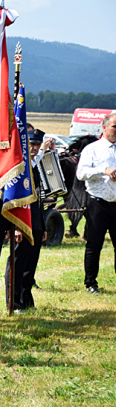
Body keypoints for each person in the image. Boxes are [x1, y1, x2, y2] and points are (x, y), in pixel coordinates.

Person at [4, 129, 51, 309]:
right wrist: (15, 226)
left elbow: (38, 198)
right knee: (17, 263)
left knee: (30, 263)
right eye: (30, 144)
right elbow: (14, 199)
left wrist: (42, 225)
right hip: (22, 223)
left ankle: (26, 299)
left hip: (35, 221)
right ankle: (14, 301)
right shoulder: (19, 167)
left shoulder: (34, 165)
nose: (33, 148)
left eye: (37, 145)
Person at [76, 113, 116, 294]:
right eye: (114, 126)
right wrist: (103, 171)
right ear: (104, 127)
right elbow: (81, 173)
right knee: (94, 245)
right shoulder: (92, 149)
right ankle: (91, 283)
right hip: (98, 204)